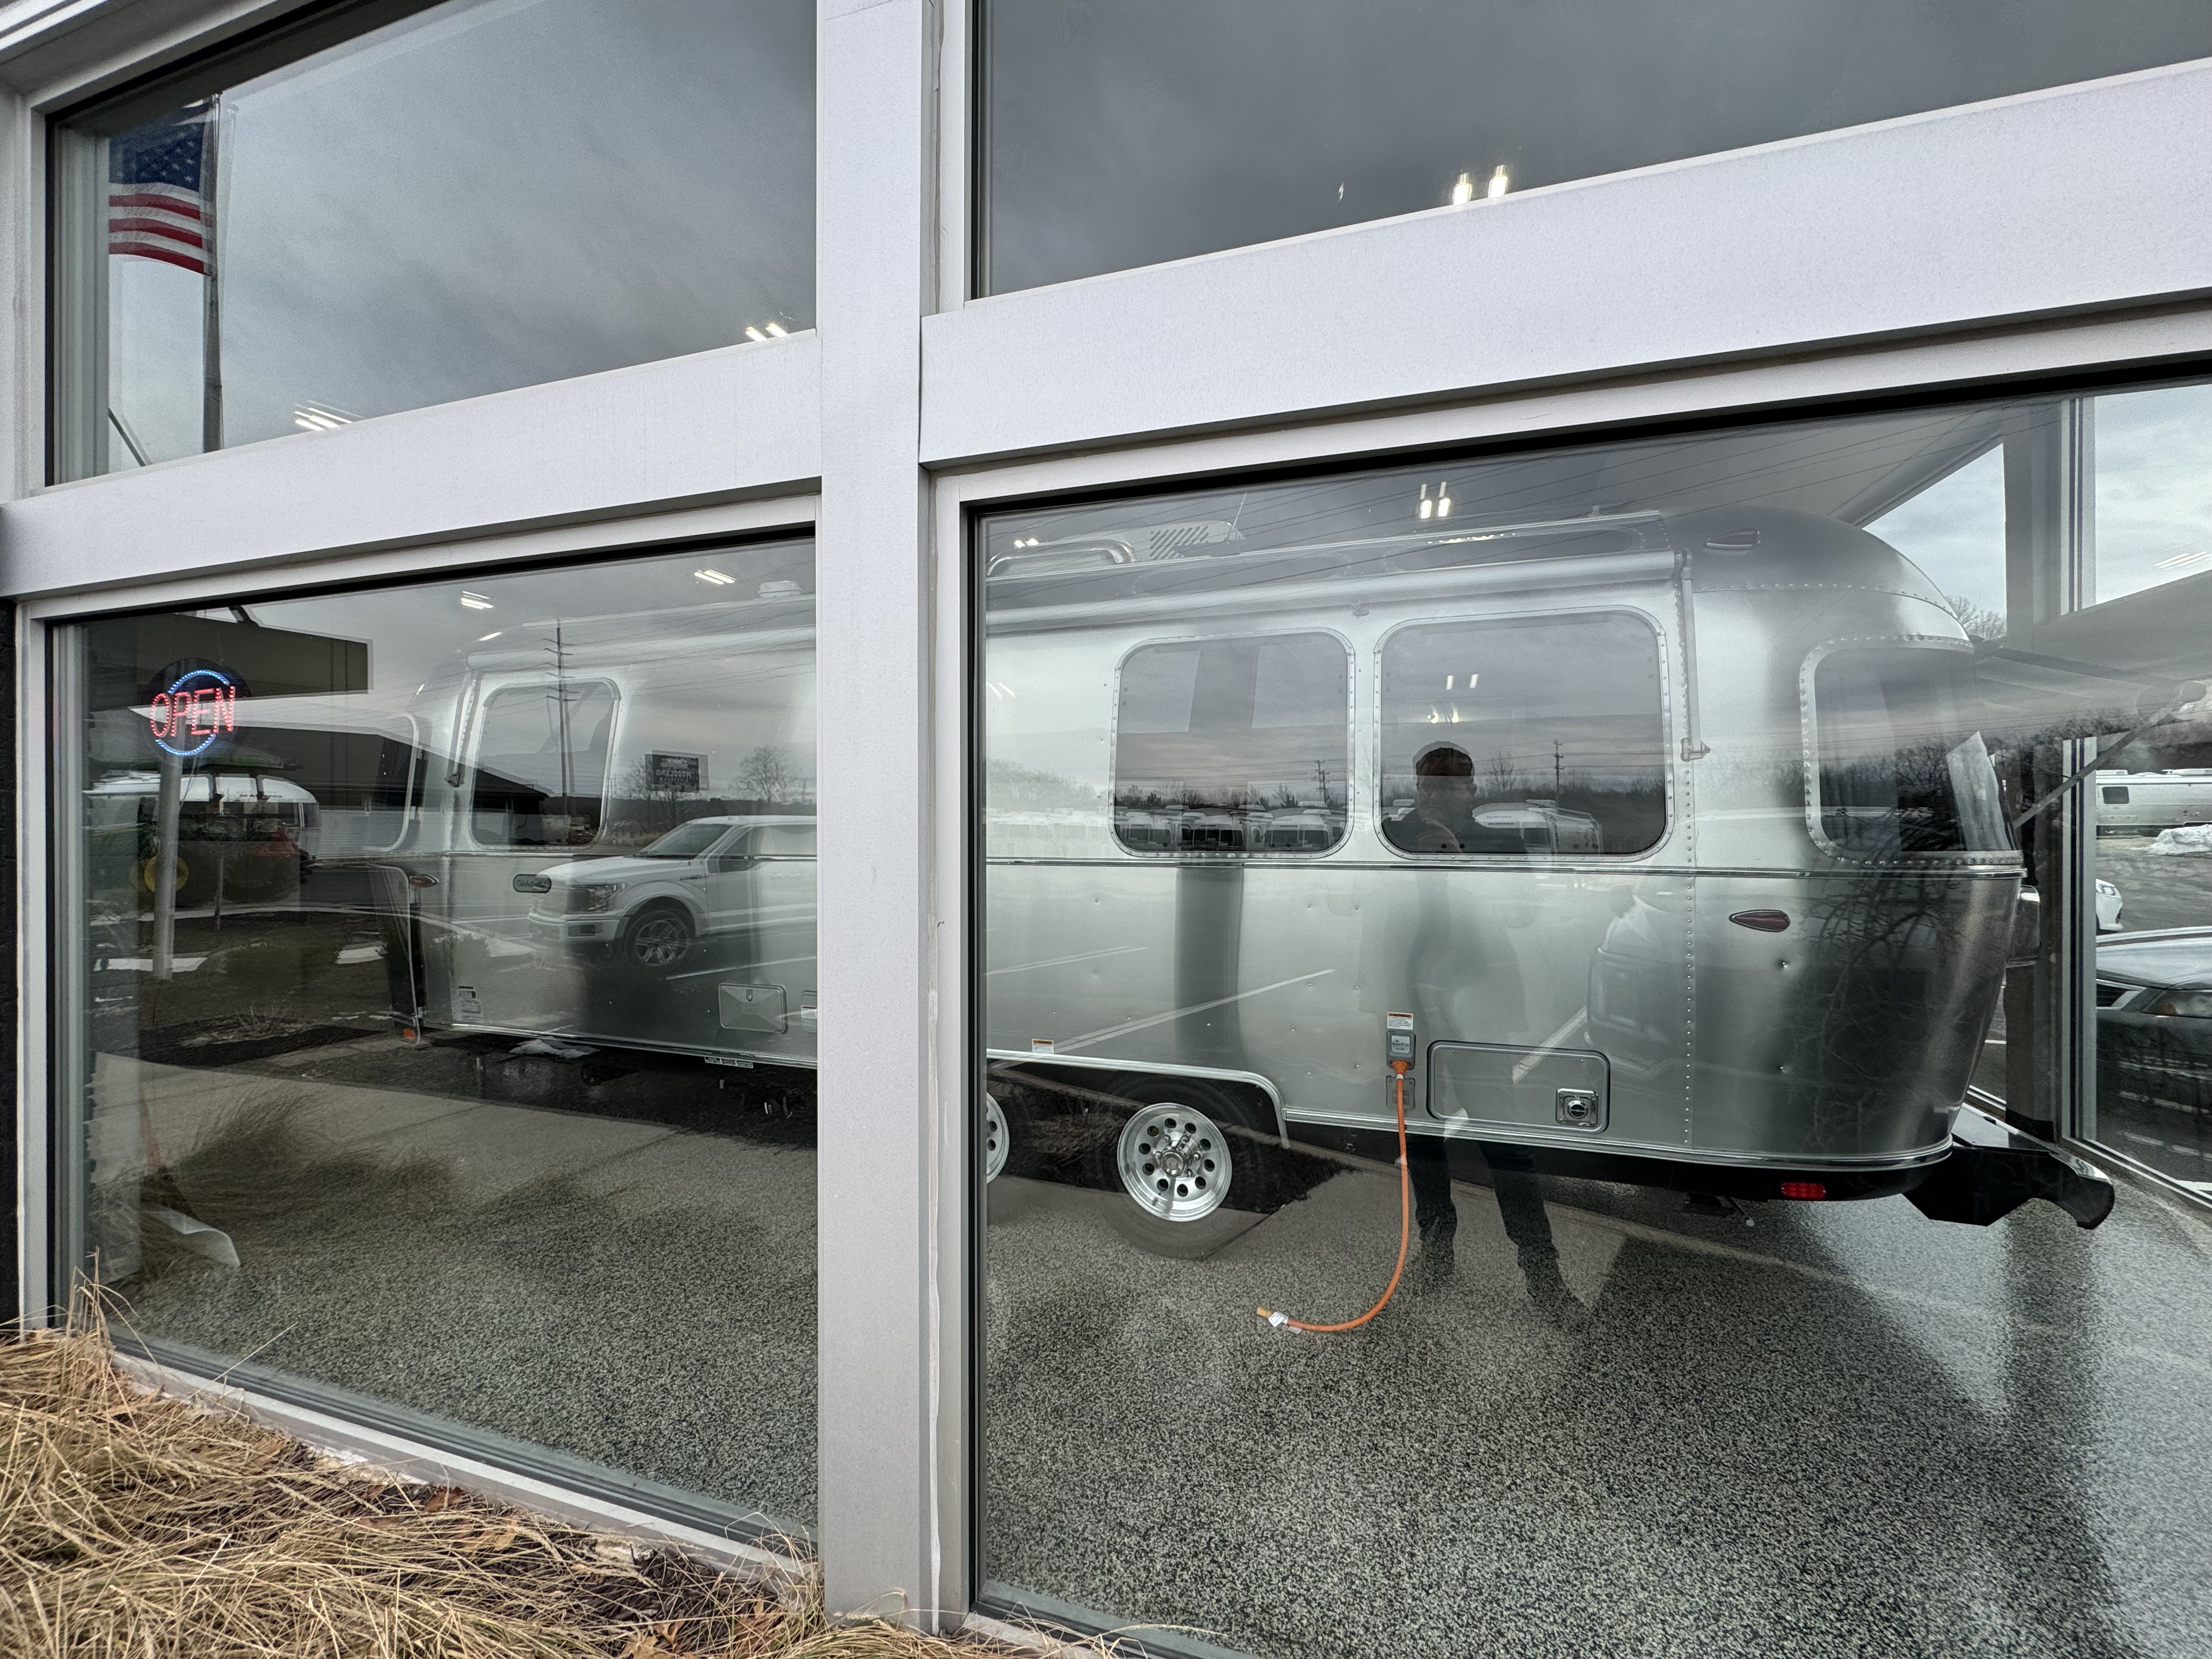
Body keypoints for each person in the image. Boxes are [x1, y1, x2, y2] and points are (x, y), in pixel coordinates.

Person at [1385, 742, 1522, 855]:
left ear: (1471, 792)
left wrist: (1457, 857)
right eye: (1427, 787)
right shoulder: (1391, 835)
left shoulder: (1505, 846)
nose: (1434, 797)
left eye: (1445, 788)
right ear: (1418, 789)